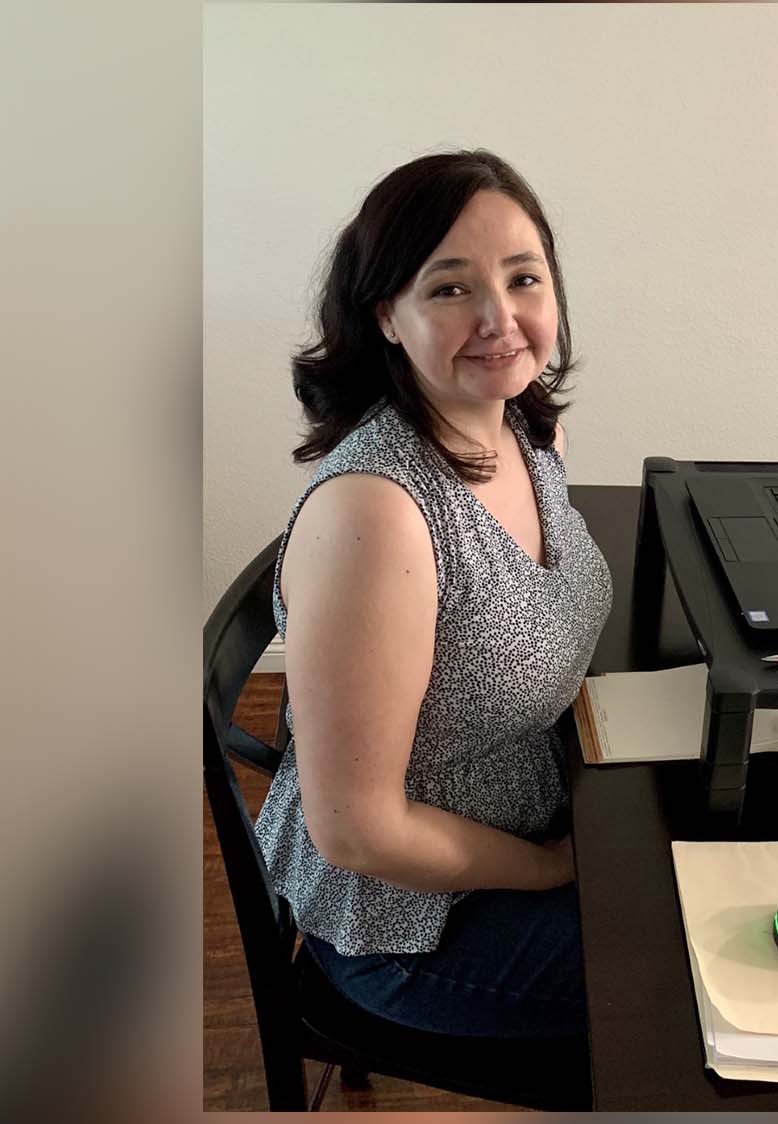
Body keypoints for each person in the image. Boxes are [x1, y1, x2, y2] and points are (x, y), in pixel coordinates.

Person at [251, 150, 612, 1043]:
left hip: (525, 805)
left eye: (523, 278)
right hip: (406, 922)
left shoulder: (525, 430)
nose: (501, 319)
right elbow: (358, 832)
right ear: (387, 314)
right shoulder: (377, 516)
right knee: (692, 1002)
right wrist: (556, 868)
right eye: (450, 289)